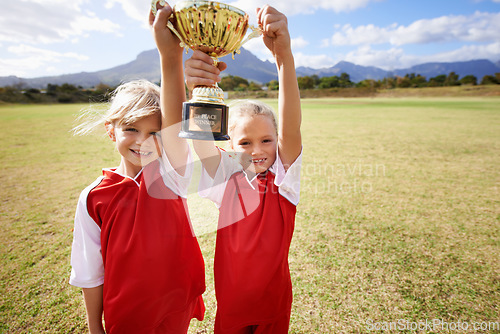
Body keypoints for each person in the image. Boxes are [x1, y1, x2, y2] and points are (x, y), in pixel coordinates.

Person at [69, 3, 205, 333]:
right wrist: (94, 326)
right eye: (131, 128)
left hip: (175, 307)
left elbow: (175, 123)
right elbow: (90, 271)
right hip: (125, 315)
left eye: (154, 132)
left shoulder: (171, 175)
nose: (143, 142)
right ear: (110, 129)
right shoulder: (93, 198)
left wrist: (170, 55)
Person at [185, 5, 302, 333]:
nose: (257, 151)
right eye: (245, 143)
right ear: (229, 146)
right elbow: (200, 142)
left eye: (267, 140)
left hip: (274, 305)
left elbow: (291, 129)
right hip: (232, 307)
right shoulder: (226, 177)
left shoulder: (284, 179)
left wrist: (284, 57)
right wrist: (199, 87)